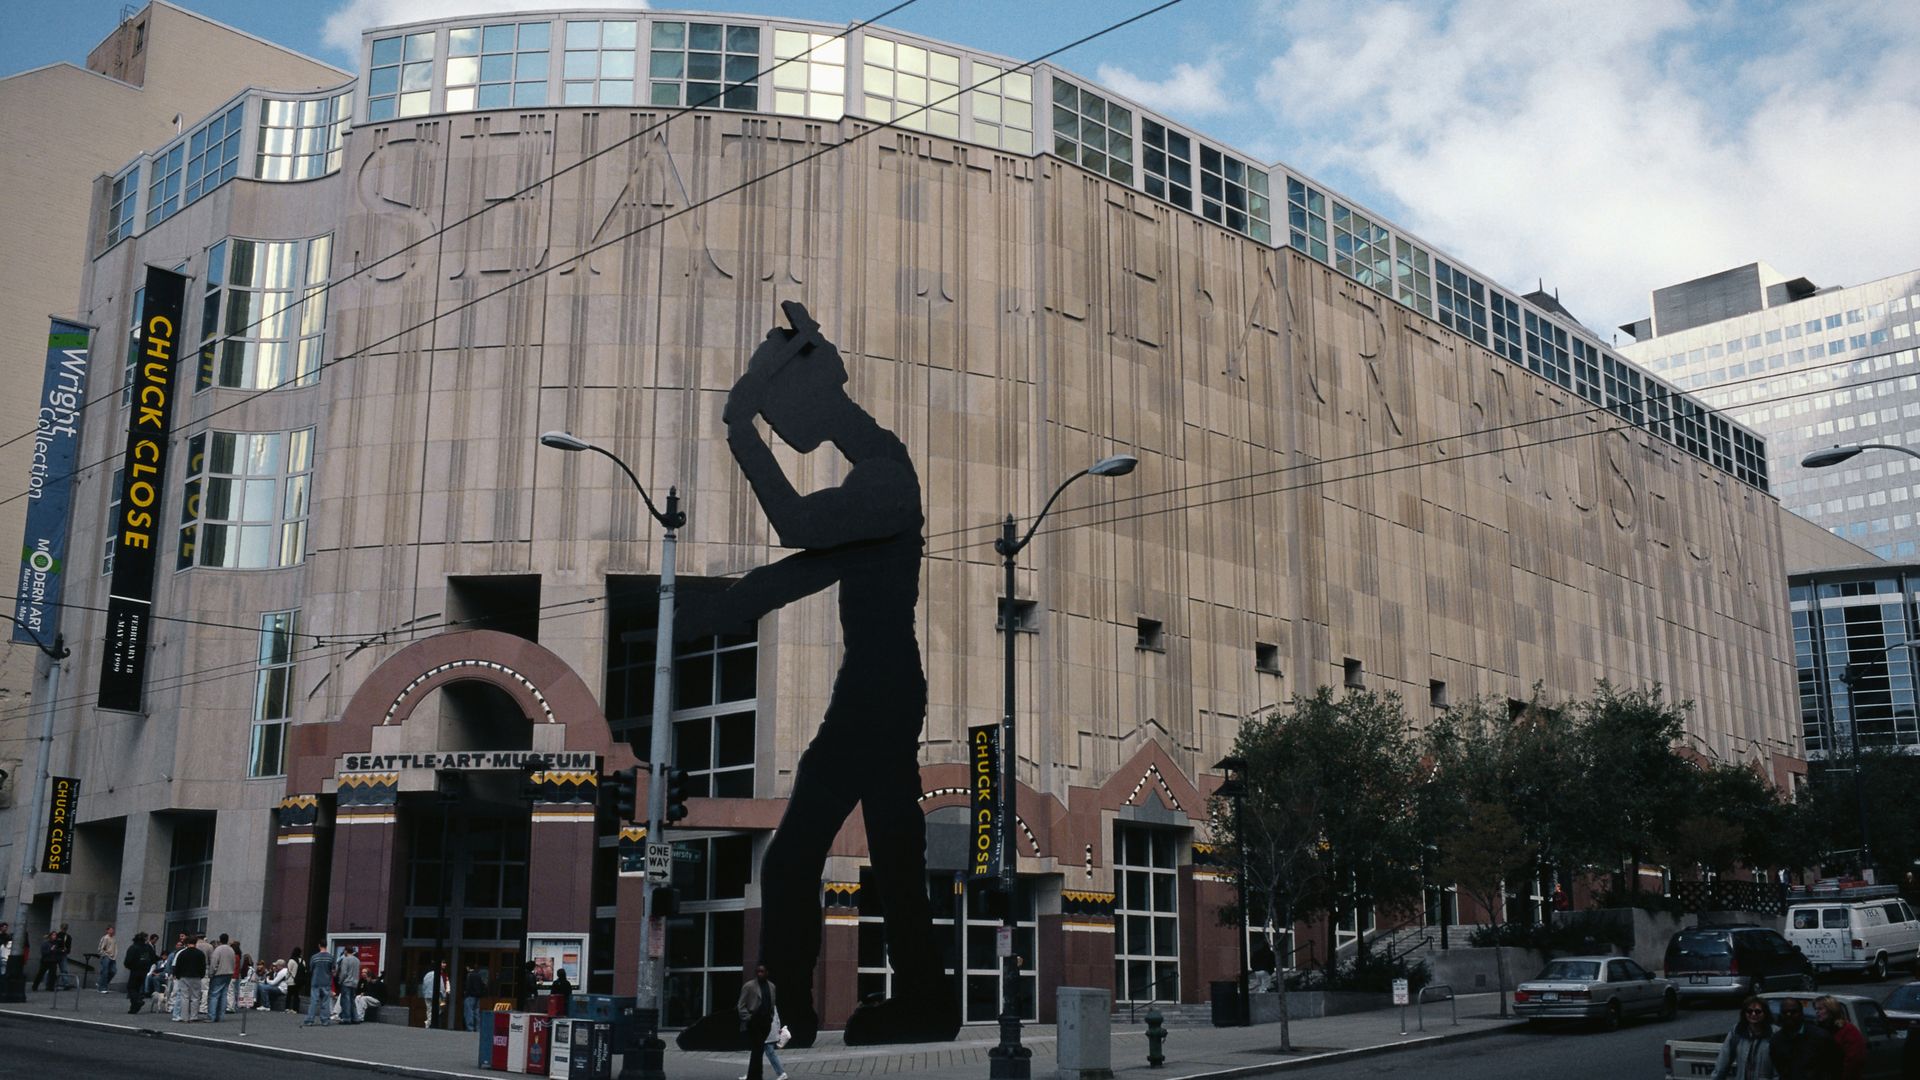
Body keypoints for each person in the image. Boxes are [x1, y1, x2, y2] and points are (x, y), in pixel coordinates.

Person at [678, 302, 950, 1047]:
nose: (776, 421)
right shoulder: (878, 476)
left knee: (796, 854)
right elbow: (808, 567)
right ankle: (924, 999)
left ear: (813, 395)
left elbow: (798, 527)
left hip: (878, 688)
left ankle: (780, 1013)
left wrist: (740, 431)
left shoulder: (886, 478)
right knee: (895, 852)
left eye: (776, 404)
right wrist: (721, 610)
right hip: (885, 685)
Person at [736, 963, 787, 1080]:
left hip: (766, 1022)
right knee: (757, 1048)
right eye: (758, 971)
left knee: (757, 1050)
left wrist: (770, 1017)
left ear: (767, 973)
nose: (760, 974)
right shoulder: (749, 986)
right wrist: (748, 1017)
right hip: (754, 1021)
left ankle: (754, 1075)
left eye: (762, 971)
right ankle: (755, 1076)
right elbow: (741, 1005)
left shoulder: (771, 986)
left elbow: (772, 1004)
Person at [1712, 996, 1775, 1079]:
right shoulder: (1737, 1032)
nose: (1753, 1014)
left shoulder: (1774, 1035)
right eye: (1749, 1011)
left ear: (1765, 1013)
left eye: (1758, 1011)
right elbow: (1722, 1063)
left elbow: (1779, 1070)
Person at [1815, 995, 1867, 1080]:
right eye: (1816, 1009)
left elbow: (1854, 1060)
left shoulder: (1848, 1030)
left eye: (1820, 1009)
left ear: (1831, 1010)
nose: (1817, 1012)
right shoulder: (1819, 1030)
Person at [172, 933, 208, 1022]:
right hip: (196, 977)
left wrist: (178, 975)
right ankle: (194, 1016)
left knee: (184, 997)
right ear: (196, 942)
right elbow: (203, 966)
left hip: (184, 976)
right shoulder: (200, 954)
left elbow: (178, 966)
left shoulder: (182, 953)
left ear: (187, 942)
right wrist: (201, 975)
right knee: (195, 997)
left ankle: (184, 1017)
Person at [122, 932, 156, 1014]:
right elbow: (152, 958)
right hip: (144, 970)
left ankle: (137, 1001)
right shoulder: (147, 948)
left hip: (135, 970)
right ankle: (133, 1008)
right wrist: (147, 966)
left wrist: (130, 966)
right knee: (137, 988)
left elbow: (128, 961)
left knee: (131, 988)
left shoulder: (133, 947)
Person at [304, 943, 335, 1026]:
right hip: (326, 982)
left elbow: (311, 969)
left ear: (319, 945)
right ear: (326, 945)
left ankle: (309, 1020)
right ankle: (325, 1021)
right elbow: (332, 970)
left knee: (313, 1001)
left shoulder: (314, 957)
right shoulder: (330, 957)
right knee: (325, 1002)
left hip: (316, 981)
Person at [208, 934, 236, 1021]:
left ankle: (212, 1016)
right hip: (229, 973)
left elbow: (214, 963)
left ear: (220, 940)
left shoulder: (218, 949)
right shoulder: (231, 950)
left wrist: (211, 973)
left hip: (219, 974)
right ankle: (221, 1016)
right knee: (224, 995)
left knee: (214, 995)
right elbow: (234, 962)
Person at [336, 945, 362, 1024]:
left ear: (346, 951)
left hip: (346, 982)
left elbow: (343, 973)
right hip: (355, 983)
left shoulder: (345, 959)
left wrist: (340, 981)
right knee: (352, 1001)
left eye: (344, 951)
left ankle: (346, 1018)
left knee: (345, 1001)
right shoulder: (357, 960)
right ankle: (355, 1018)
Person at [464, 963, 489, 1033]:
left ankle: (470, 1028)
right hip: (477, 996)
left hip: (470, 996)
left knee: (469, 1012)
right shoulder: (478, 975)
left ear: (468, 968)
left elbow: (468, 986)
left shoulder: (470, 975)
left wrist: (466, 993)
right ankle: (478, 1029)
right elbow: (483, 985)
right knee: (476, 1013)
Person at [421, 962, 448, 1028]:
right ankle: (432, 1024)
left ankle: (428, 1024)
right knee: (438, 1010)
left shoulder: (427, 975)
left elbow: (424, 986)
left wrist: (424, 994)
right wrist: (444, 997)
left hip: (427, 995)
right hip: (436, 996)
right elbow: (441, 987)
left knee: (429, 1010)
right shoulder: (438, 975)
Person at [96, 926, 118, 992]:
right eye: (111, 930)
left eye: (113, 930)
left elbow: (115, 947)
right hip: (106, 956)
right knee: (105, 972)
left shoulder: (114, 938)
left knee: (113, 971)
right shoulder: (105, 938)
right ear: (107, 931)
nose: (112, 931)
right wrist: (104, 954)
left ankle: (100, 983)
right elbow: (100, 948)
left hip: (113, 957)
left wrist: (115, 955)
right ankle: (102, 988)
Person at [285, 948, 305, 1015]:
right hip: (299, 981)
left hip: (291, 980)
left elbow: (288, 971)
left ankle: (287, 1008)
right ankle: (295, 1009)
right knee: (296, 995)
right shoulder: (302, 961)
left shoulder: (291, 960)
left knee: (289, 995)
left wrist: (286, 979)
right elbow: (304, 971)